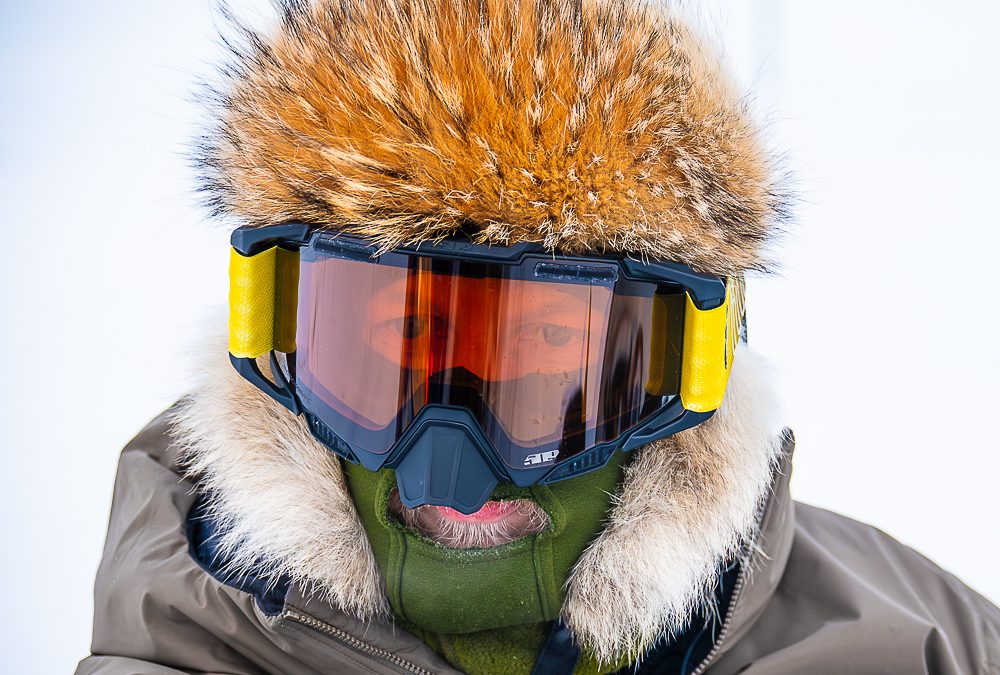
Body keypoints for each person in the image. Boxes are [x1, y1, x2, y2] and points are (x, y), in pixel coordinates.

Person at [77, 1, 1000, 673]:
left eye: (551, 349)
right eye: (399, 343)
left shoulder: (932, 645)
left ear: (688, 376)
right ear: (287, 347)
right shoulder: (184, 641)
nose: (453, 468)